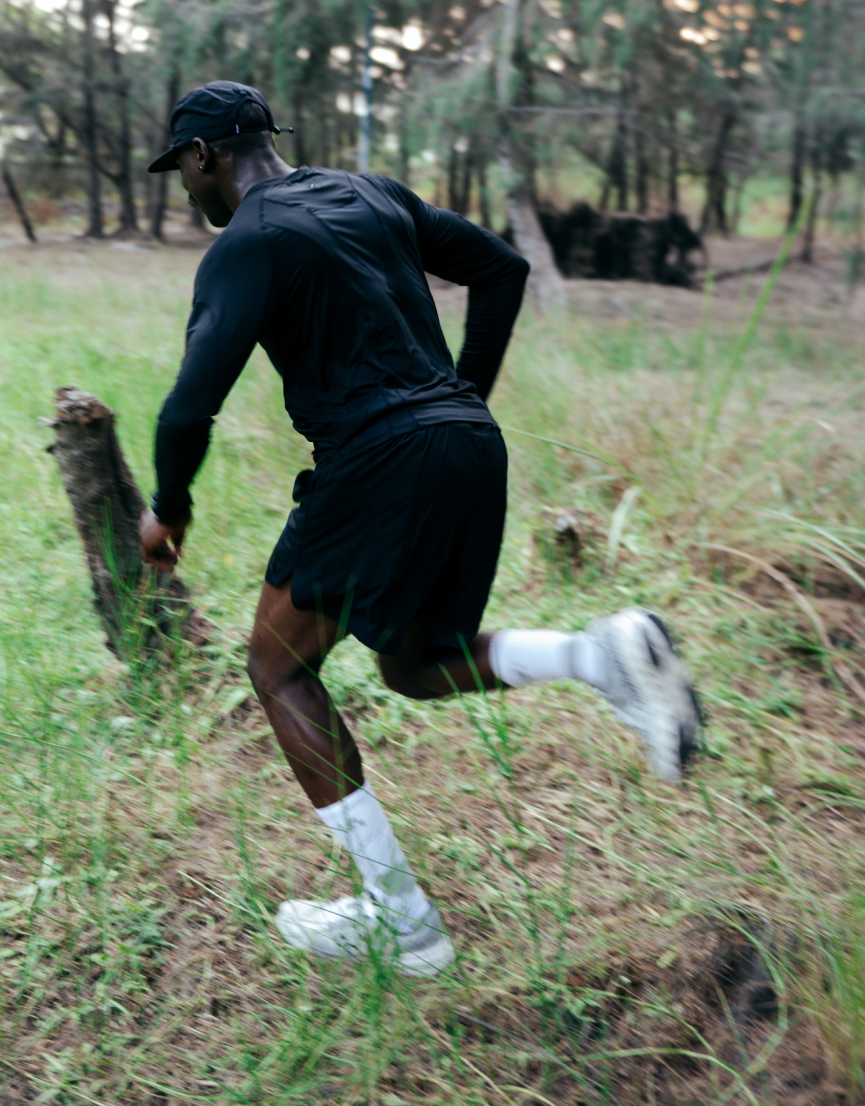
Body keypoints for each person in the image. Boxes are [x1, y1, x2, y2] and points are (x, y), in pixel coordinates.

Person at [140, 80, 701, 978]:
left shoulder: (245, 243)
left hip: (379, 462)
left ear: (204, 156)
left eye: (182, 169)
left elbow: (187, 407)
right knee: (414, 663)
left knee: (278, 668)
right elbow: (502, 268)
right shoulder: (375, 194)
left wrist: (170, 508)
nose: (186, 186)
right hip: (469, 447)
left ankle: (400, 921)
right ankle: (601, 656)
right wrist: (463, 396)